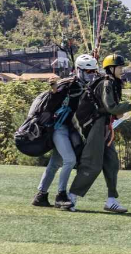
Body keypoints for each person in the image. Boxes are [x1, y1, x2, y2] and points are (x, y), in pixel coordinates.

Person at [67, 53, 131, 213]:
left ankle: (111, 200)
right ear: (111, 68)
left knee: (112, 162)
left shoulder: (114, 83)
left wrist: (119, 112)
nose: (122, 70)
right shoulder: (107, 83)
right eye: (120, 67)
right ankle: (70, 197)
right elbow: (110, 107)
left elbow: (109, 109)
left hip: (105, 125)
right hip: (96, 125)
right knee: (92, 164)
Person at [31, 54, 98, 209]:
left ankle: (40, 196)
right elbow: (52, 102)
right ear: (79, 71)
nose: (91, 74)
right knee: (70, 160)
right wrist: (54, 90)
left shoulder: (85, 85)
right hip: (57, 127)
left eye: (93, 71)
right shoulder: (67, 84)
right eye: (88, 72)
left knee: (55, 163)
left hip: (67, 127)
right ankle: (61, 195)